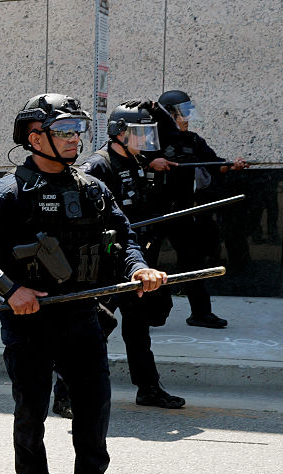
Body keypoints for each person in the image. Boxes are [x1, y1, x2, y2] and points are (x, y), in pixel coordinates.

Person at [0, 93, 167, 474]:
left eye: (78, 130)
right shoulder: (5, 194)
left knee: (94, 407)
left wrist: (139, 267)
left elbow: (124, 236)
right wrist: (10, 289)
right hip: (30, 321)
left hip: (82, 315)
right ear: (35, 137)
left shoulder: (92, 187)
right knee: (31, 412)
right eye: (64, 131)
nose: (75, 139)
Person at [77, 101, 185, 409]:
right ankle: (66, 391)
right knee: (96, 328)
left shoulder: (137, 160)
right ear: (119, 133)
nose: (145, 139)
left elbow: (174, 135)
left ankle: (148, 387)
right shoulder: (98, 165)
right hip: (107, 262)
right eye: (139, 132)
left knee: (138, 328)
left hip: (133, 260)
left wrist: (157, 108)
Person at [152, 90, 248, 329]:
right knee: (145, 262)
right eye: (182, 113)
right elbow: (128, 160)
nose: (186, 118)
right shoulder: (151, 140)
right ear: (168, 114)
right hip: (153, 212)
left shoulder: (193, 140)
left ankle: (201, 313)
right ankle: (145, 313)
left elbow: (216, 166)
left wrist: (232, 166)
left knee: (193, 262)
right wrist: (150, 162)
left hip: (183, 211)